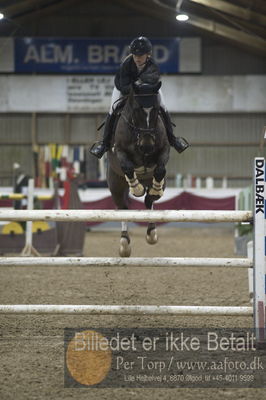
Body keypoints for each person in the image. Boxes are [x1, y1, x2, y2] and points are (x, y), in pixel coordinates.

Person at [90, 36, 189, 159]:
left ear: (148, 55)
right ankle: (104, 144)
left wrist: (142, 89)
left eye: (140, 55)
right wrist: (135, 90)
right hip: (123, 89)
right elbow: (124, 86)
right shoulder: (126, 64)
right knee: (113, 108)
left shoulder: (153, 66)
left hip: (146, 91)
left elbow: (153, 83)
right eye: (135, 55)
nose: (137, 58)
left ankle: (173, 140)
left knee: (163, 107)